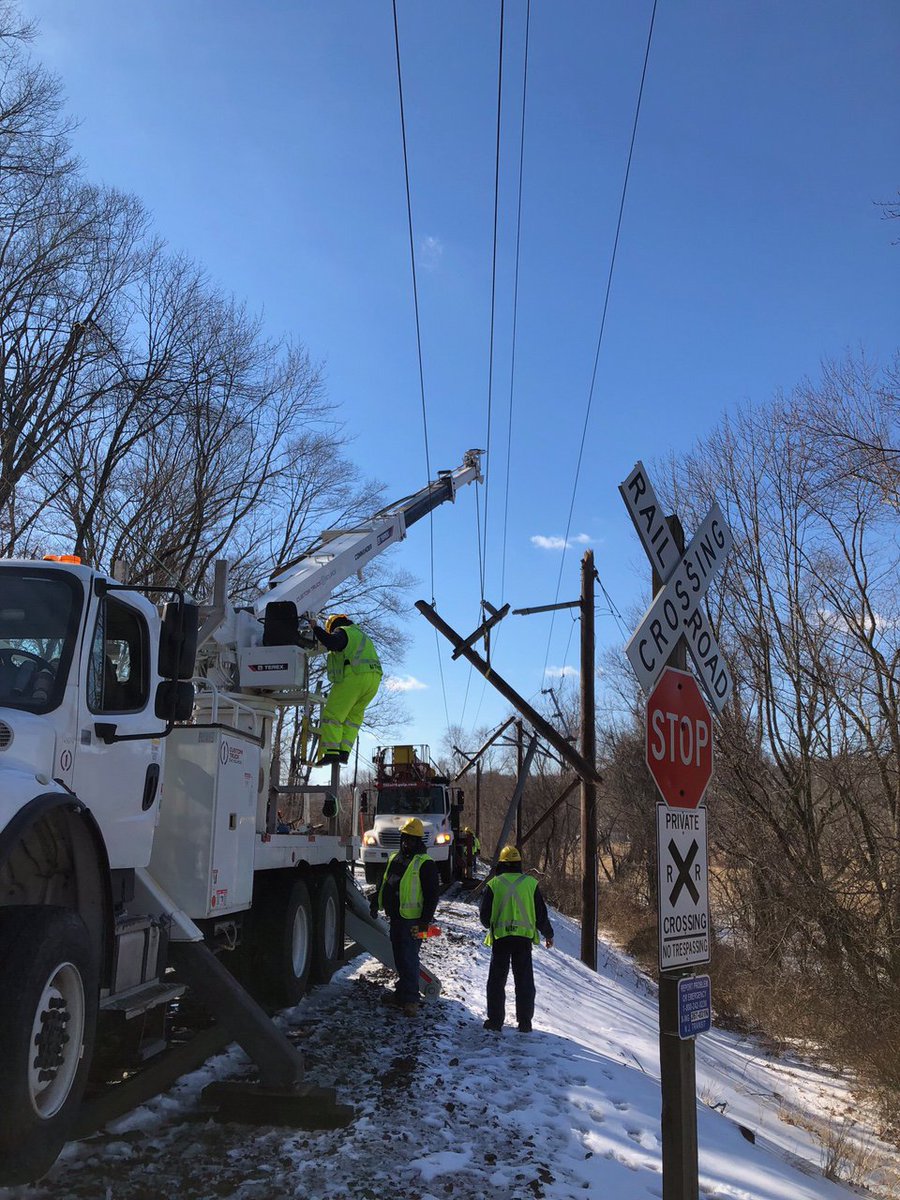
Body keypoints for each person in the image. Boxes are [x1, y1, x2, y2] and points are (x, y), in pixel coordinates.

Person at [479, 845, 553, 1033]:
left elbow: (484, 918)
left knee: (497, 981)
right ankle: (525, 1023)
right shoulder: (530, 884)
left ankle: (495, 1021)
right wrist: (548, 934)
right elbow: (541, 914)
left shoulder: (494, 884)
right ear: (519, 864)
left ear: (501, 864)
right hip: (523, 940)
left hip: (501, 940)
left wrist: (492, 925)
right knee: (524, 981)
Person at [369, 817, 439, 1017]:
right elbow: (385, 884)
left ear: (418, 841)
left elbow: (432, 895)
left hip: (414, 921)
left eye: (410, 839)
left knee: (409, 959)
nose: (406, 842)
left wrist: (425, 921)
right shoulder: (395, 859)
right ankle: (402, 994)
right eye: (404, 838)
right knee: (400, 958)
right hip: (397, 918)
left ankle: (410, 1000)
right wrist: (376, 902)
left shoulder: (425, 864)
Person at [312, 613, 382, 765]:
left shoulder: (343, 631)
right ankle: (344, 752)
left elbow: (332, 643)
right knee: (352, 718)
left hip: (355, 676)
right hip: (373, 680)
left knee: (332, 714)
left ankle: (331, 752)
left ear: (333, 626)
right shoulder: (360, 634)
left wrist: (315, 628)